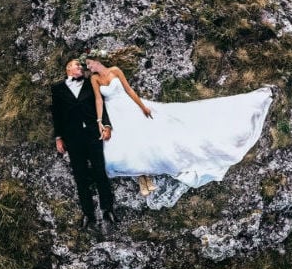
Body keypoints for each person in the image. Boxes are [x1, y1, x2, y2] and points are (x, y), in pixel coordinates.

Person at [83, 49, 273, 194]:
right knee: (126, 143)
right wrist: (100, 120)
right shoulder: (95, 79)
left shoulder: (115, 70)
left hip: (128, 105)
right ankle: (144, 179)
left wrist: (142, 106)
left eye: (91, 63)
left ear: (98, 60)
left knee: (146, 135)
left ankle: (145, 178)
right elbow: (99, 99)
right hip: (114, 111)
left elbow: (129, 90)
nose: (91, 67)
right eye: (88, 66)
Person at [51, 57, 117, 228]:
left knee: (100, 171)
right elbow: (56, 114)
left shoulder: (91, 82)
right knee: (80, 176)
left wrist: (106, 125)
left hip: (93, 134)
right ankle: (88, 214)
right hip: (72, 138)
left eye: (81, 65)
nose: (80, 66)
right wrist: (58, 137)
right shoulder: (57, 88)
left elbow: (100, 105)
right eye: (76, 64)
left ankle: (108, 209)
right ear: (68, 68)